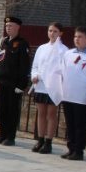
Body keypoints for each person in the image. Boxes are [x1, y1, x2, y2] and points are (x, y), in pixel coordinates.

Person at [0, 14, 30, 146]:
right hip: (2, 81)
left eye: (11, 26)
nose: (8, 28)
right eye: (6, 26)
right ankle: (2, 135)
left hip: (14, 83)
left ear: (18, 27)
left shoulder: (22, 43)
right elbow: (0, 60)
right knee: (2, 110)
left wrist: (21, 85)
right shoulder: (4, 42)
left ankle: (10, 136)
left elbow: (24, 66)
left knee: (12, 110)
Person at [58, 25, 86, 160]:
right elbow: (62, 71)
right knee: (70, 123)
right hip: (68, 94)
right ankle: (71, 147)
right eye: (75, 36)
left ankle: (79, 150)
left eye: (80, 37)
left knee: (80, 125)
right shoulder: (68, 54)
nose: (77, 39)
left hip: (82, 97)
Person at [29, 20, 66, 156]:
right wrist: (35, 75)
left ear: (60, 33)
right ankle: (40, 139)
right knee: (41, 114)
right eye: (50, 31)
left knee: (51, 114)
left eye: (55, 31)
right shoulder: (42, 48)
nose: (52, 33)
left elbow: (62, 70)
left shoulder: (63, 50)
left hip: (53, 86)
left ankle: (49, 141)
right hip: (40, 86)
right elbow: (35, 66)